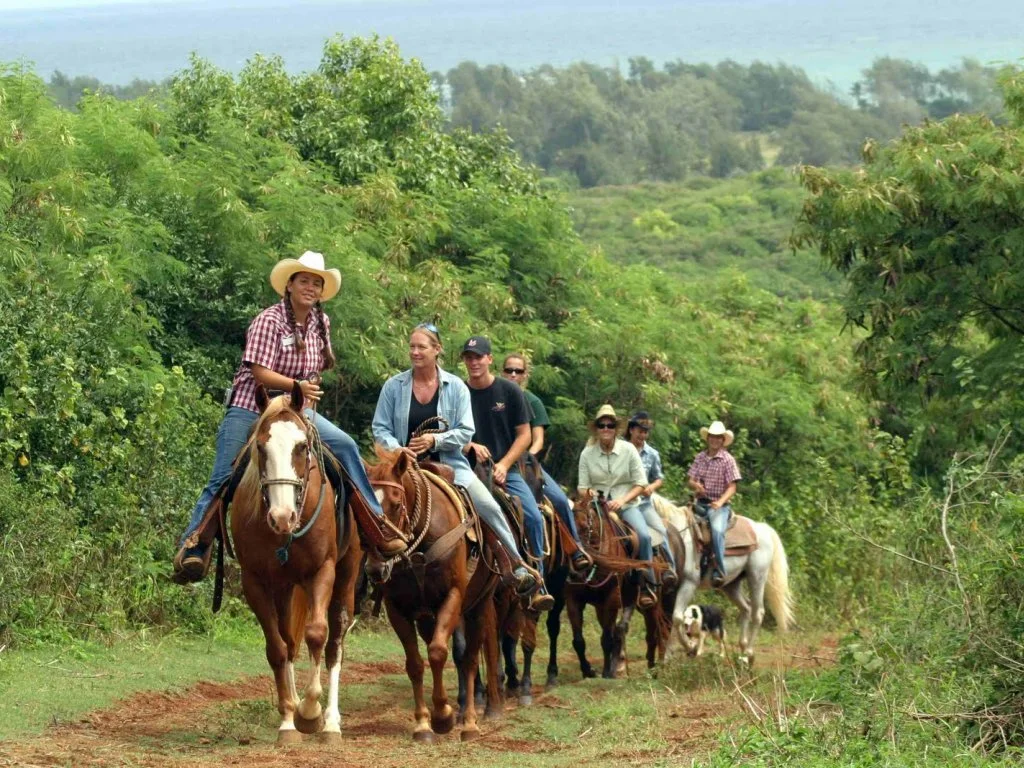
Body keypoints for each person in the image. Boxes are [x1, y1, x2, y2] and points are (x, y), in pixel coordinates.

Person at [172, 251, 404, 584]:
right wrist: (297, 385)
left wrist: (303, 392)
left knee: (346, 446)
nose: (310, 287)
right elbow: (259, 371)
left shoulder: (321, 323)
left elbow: (314, 371)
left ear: (322, 292)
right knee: (225, 474)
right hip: (252, 405)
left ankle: (375, 524)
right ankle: (194, 546)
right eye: (304, 281)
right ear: (290, 285)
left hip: (296, 411)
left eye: (317, 283)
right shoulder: (269, 320)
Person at [371, 323, 541, 598]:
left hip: (450, 467)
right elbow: (380, 428)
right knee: (370, 504)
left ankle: (517, 566)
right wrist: (399, 450)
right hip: (403, 468)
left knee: (489, 506)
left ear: (437, 350)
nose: (415, 352)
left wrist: (433, 441)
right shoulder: (394, 386)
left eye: (421, 347)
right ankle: (364, 571)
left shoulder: (456, 388)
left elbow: (465, 432)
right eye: (412, 346)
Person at [461, 336, 555, 612]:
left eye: (479, 357)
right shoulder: (457, 390)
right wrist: (468, 445)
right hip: (465, 469)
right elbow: (449, 429)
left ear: (490, 359)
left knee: (535, 518)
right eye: (469, 357)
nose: (474, 362)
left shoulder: (510, 392)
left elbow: (524, 436)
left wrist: (503, 464)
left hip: (508, 470)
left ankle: (538, 585)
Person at [501, 353, 591, 573]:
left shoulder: (532, 401)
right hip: (495, 460)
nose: (513, 374)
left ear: (525, 375)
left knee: (559, 499)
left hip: (525, 461)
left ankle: (576, 549)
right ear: (502, 371)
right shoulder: (494, 395)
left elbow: (538, 439)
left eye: (518, 371)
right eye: (509, 370)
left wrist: (527, 456)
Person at [577, 405, 657, 611]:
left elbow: (641, 483)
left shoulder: (629, 450)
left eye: (610, 425)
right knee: (577, 530)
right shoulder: (587, 454)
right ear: (596, 428)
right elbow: (582, 487)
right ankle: (574, 574)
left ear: (616, 429)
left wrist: (622, 500)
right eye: (602, 425)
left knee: (644, 536)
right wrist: (591, 495)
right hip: (596, 507)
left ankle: (646, 583)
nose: (606, 429)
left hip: (626, 505)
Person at [625, 411, 677, 588]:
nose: (643, 435)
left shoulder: (652, 453)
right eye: (640, 431)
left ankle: (669, 569)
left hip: (645, 504)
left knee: (661, 531)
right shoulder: (621, 450)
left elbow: (659, 478)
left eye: (646, 432)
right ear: (631, 430)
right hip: (624, 501)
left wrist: (651, 488)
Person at [687, 420, 741, 587]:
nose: (714, 440)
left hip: (718, 505)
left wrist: (720, 502)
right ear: (708, 438)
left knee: (717, 531)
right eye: (712, 436)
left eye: (718, 437)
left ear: (723, 440)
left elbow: (732, 487)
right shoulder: (700, 457)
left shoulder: (727, 460)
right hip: (699, 503)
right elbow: (690, 479)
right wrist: (696, 485)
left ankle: (719, 569)